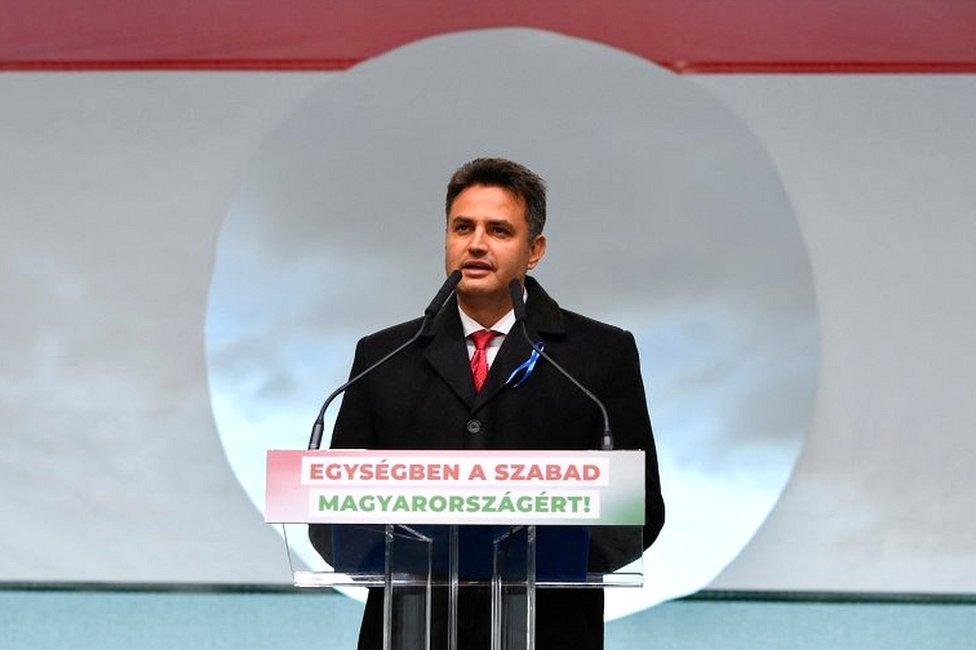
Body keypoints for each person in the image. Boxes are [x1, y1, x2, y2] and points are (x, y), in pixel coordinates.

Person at [311, 157, 665, 649]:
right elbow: (333, 519)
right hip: (411, 631)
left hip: (550, 630)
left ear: (534, 250)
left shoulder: (597, 357)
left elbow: (639, 512)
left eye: (499, 230)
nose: (476, 243)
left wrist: (530, 562)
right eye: (463, 227)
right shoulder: (384, 356)